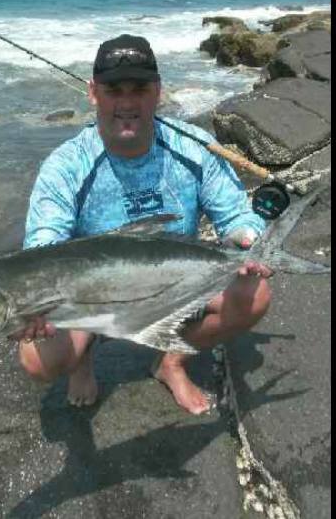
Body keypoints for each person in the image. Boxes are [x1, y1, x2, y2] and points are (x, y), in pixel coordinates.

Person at [18, 34, 272, 415]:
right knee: (38, 359)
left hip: (176, 288)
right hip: (92, 300)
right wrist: (33, 303)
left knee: (255, 294)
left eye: (138, 89)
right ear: (93, 92)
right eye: (113, 90)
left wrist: (246, 239)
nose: (126, 103)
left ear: (158, 91)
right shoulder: (65, 166)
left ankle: (170, 362)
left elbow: (237, 216)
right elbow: (43, 246)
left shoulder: (194, 148)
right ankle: (81, 358)